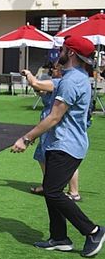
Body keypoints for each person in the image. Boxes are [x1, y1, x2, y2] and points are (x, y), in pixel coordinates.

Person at [11, 36, 103, 257]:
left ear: (70, 53)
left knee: (52, 192)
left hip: (67, 146)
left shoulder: (72, 81)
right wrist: (32, 79)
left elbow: (54, 117)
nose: (58, 52)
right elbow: (46, 85)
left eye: (62, 49)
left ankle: (93, 231)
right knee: (52, 191)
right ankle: (59, 238)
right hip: (59, 144)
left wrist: (26, 138)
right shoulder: (71, 77)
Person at [23, 63, 81, 200]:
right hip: (49, 126)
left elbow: (36, 84)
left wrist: (28, 74)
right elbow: (40, 90)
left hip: (55, 128)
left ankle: (73, 191)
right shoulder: (55, 84)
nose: (52, 70)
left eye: (55, 68)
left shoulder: (60, 83)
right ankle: (48, 185)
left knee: (64, 161)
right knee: (42, 156)